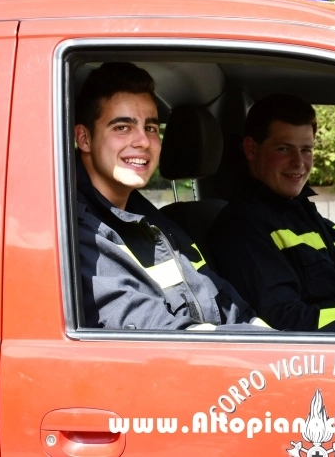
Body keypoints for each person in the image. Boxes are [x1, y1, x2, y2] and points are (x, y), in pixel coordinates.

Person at [74, 61, 267, 331]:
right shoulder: (79, 231)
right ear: (84, 139)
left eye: (151, 128)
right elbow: (161, 334)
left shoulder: (153, 220)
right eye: (122, 127)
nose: (143, 141)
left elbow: (227, 304)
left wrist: (267, 335)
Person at [208, 93, 335, 332]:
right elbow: (287, 323)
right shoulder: (243, 228)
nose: (299, 162)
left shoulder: (302, 213)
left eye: (306, 150)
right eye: (284, 149)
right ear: (251, 149)